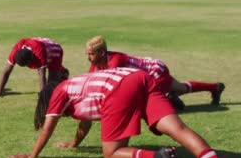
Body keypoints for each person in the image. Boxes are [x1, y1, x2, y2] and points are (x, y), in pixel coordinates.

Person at [9, 68, 233, 158]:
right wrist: (73, 144)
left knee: (112, 153)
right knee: (178, 129)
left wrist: (32, 155)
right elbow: (85, 122)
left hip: (119, 89)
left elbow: (47, 128)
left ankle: (159, 156)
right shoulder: (77, 86)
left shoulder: (59, 91)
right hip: (139, 77)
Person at [85, 36, 225, 110]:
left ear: (102, 53)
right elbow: (90, 81)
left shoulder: (115, 61)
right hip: (151, 72)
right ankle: (216, 87)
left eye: (91, 54)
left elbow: (112, 87)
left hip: (155, 70)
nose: (88, 57)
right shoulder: (97, 63)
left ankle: (170, 97)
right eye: (87, 54)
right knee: (182, 88)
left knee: (150, 100)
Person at [0, 37, 65, 97]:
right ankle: (62, 72)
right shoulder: (17, 48)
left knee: (52, 80)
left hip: (54, 49)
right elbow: (7, 71)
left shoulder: (39, 53)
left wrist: (42, 97)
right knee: (51, 84)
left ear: (32, 58)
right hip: (40, 44)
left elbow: (42, 76)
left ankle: (63, 73)